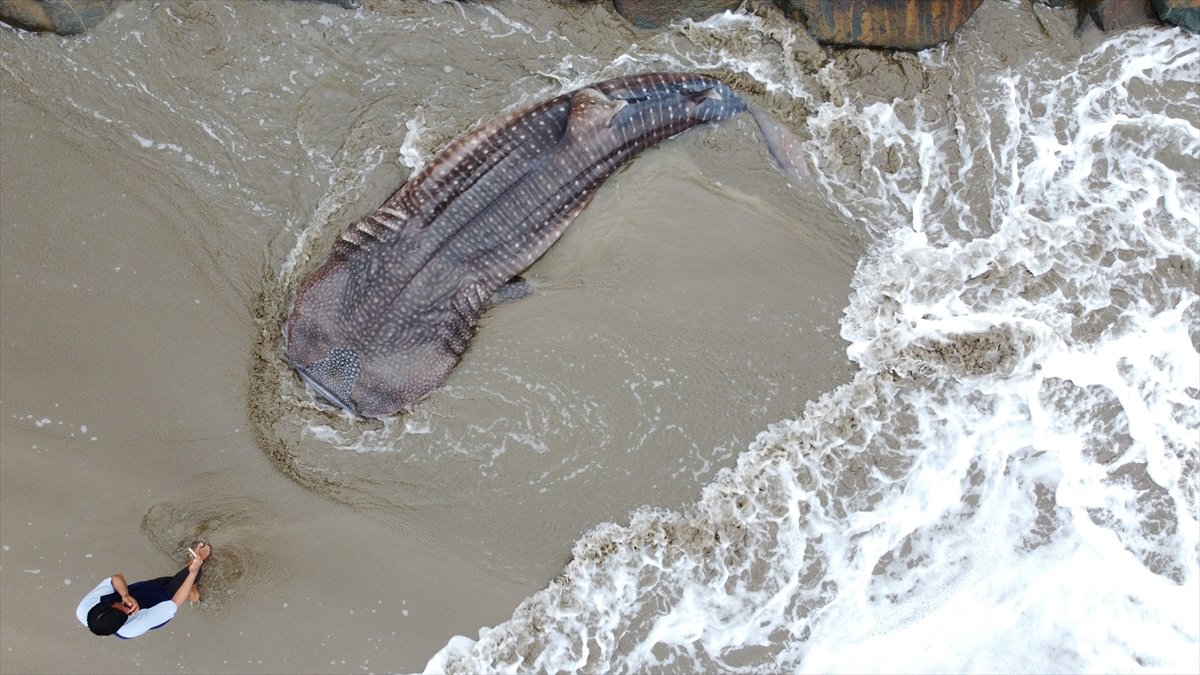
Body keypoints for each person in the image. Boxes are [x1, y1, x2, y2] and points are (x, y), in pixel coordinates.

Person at [75, 542, 211, 639]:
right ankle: (195, 577)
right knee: (188, 583)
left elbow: (116, 578)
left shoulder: (84, 609)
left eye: (119, 603)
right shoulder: (136, 626)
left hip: (143, 589)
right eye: (125, 610)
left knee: (172, 582)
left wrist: (125, 594)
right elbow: (175, 601)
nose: (127, 605)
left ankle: (192, 586)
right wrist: (192, 573)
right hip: (159, 603)